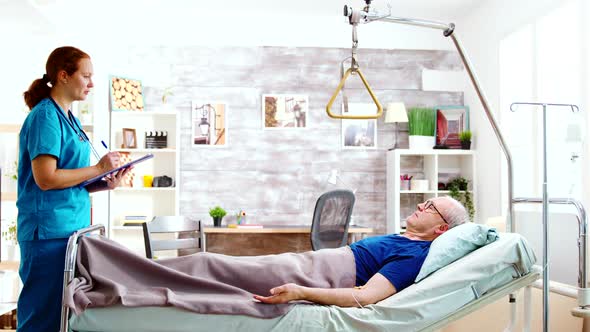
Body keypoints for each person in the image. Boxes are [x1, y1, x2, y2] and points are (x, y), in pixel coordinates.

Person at [17, 46, 130, 332]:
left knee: (64, 319)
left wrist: (104, 183)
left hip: (71, 230)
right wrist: (98, 169)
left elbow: (69, 181)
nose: (91, 84)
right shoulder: (45, 117)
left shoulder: (70, 119)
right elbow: (46, 179)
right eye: (86, 76)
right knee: (42, 316)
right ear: (64, 76)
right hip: (48, 234)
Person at [254, 196, 469, 307]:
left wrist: (301, 292)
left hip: (320, 272)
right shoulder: (403, 239)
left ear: (441, 229)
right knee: (243, 268)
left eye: (430, 207)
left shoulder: (415, 255)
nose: (421, 205)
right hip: (310, 262)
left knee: (238, 270)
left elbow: (365, 297)